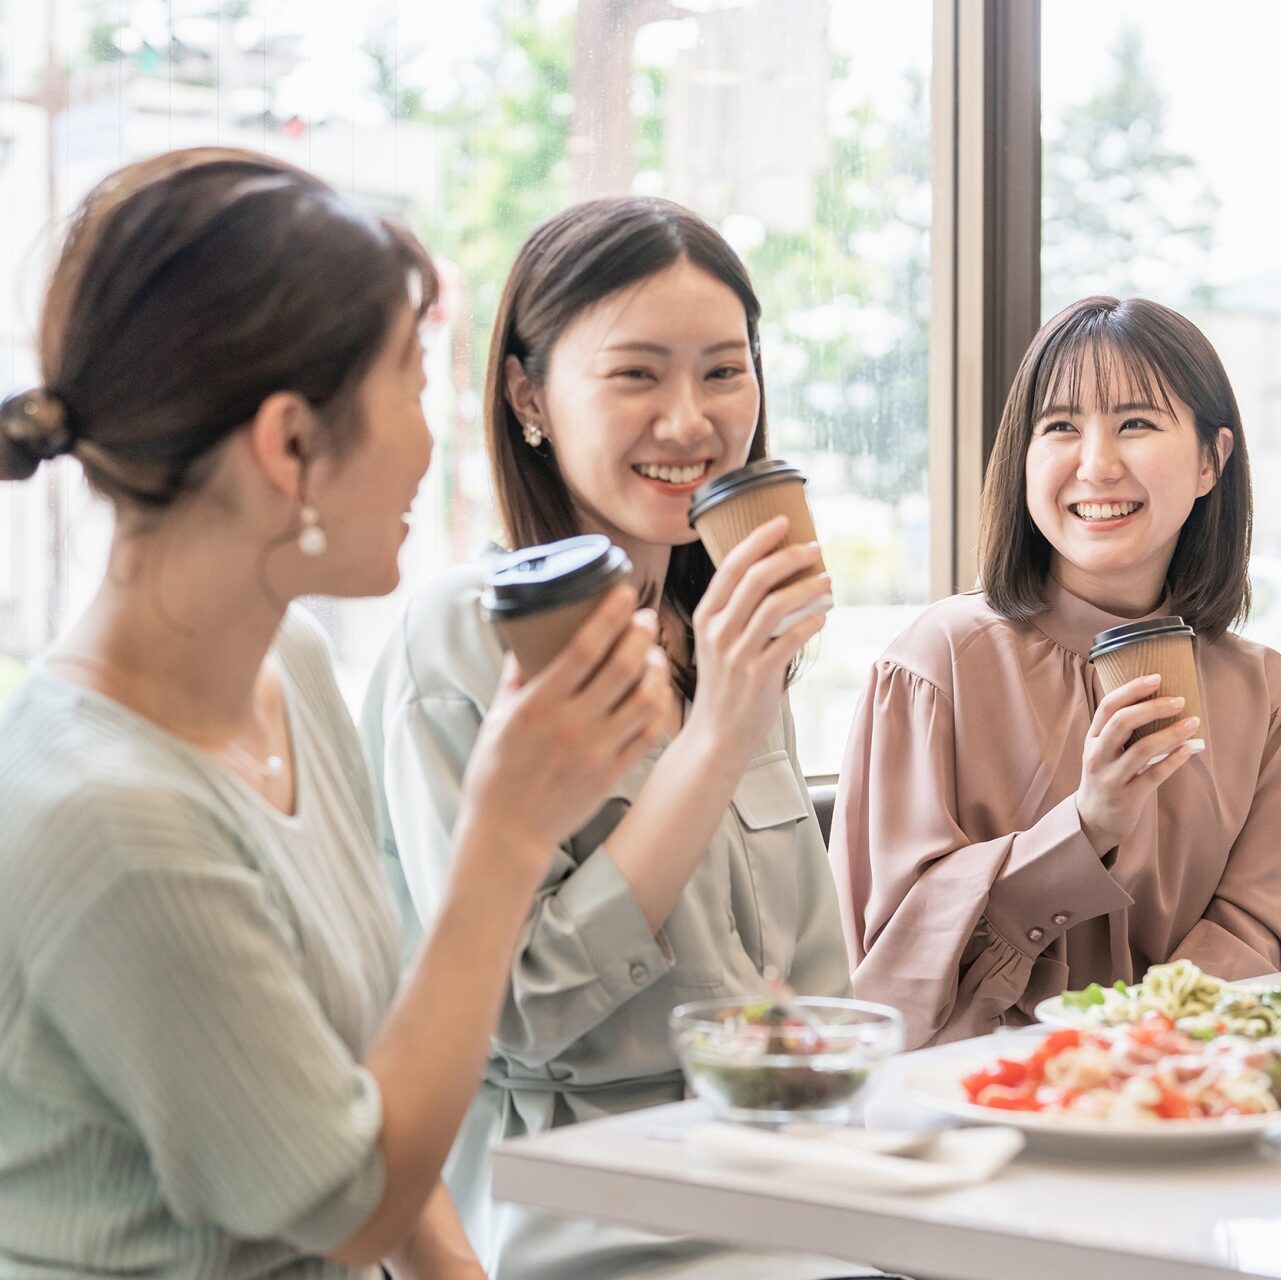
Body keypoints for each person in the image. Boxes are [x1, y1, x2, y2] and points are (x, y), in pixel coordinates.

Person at [0, 148, 669, 1277]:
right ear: (291, 444)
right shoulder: (113, 821)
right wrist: (507, 832)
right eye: (410, 382)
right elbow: (347, 1199)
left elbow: (368, 1083)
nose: (431, 433)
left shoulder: (288, 669)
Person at [363, 197, 874, 1280]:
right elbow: (518, 1013)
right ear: (528, 394)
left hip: (785, 1173)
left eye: (724, 371)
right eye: (637, 374)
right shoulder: (465, 636)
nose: (690, 421)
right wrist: (718, 733)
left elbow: (805, 982)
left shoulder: (725, 626)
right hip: (584, 1207)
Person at [830, 295, 1281, 1051]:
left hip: (1190, 1102)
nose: (1096, 464)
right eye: (1060, 427)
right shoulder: (934, 662)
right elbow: (891, 969)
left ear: (1211, 460)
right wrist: (1084, 828)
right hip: (976, 1107)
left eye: (1135, 423)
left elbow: (1256, 931)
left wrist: (1138, 1053)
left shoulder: (1263, 695)